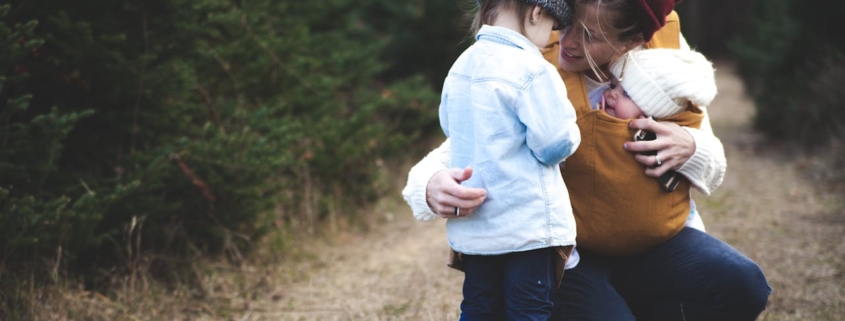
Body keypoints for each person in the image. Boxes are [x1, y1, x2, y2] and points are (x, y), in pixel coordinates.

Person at [402, 0, 772, 319]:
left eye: (592, 36)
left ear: (632, 42)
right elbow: (472, 138)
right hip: (569, 255)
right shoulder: (529, 59)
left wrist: (693, 146)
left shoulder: (665, 63)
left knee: (743, 285)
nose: (568, 41)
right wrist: (429, 183)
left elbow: (715, 162)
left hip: (655, 243)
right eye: (568, 24)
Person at [438, 0, 580, 319]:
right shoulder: (531, 68)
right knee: (528, 309)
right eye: (552, 28)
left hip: (476, 227)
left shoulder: (461, 65)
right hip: (526, 226)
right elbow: (553, 143)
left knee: (478, 306)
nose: (550, 38)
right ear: (536, 13)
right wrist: (572, 129)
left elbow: (450, 127)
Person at [561, 48, 718, 257]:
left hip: (667, 236)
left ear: (650, 114)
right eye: (613, 85)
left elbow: (711, 173)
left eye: (626, 93)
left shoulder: (664, 134)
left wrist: (694, 148)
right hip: (589, 239)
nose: (611, 93)